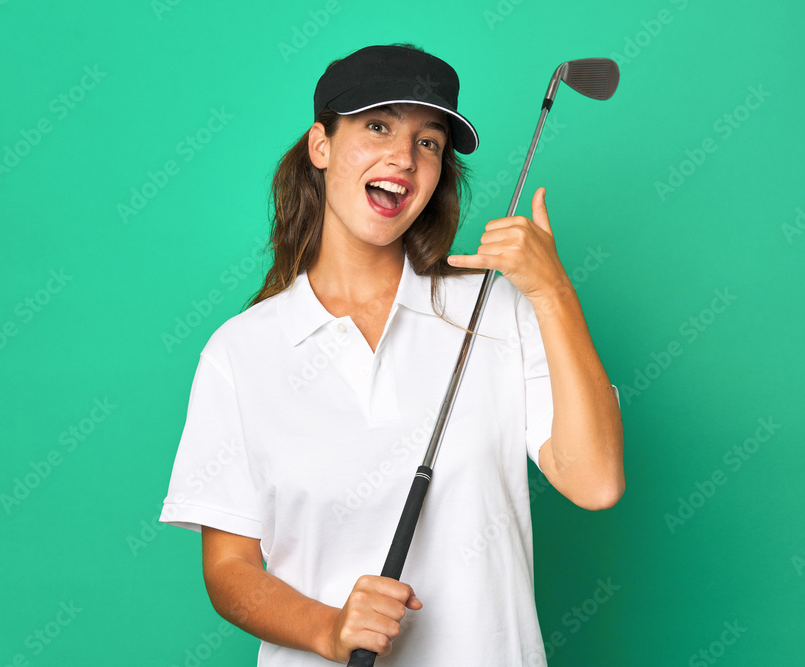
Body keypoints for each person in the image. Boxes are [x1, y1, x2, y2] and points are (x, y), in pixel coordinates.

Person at [159, 43, 624, 666]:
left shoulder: (497, 311)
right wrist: (328, 629)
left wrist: (553, 292)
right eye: (377, 126)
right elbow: (229, 570)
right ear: (320, 146)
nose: (403, 157)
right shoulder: (240, 352)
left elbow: (595, 481)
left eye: (428, 142)